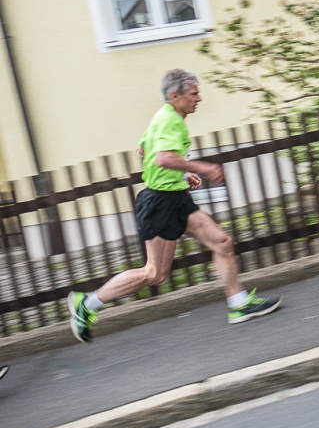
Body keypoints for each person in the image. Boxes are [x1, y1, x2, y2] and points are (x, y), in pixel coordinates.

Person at [67, 69, 281, 342]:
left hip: (176, 197)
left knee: (222, 242)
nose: (199, 98)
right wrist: (200, 167)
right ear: (175, 95)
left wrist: (181, 174)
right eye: (194, 94)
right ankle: (86, 304)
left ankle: (239, 304)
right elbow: (163, 158)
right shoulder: (170, 120)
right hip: (160, 203)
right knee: (155, 273)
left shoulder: (164, 118)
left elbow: (144, 150)